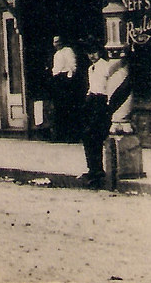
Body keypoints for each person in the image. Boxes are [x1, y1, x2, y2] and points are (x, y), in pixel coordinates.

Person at [81, 45, 115, 189]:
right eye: (89, 53)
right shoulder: (91, 69)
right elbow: (92, 86)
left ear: (100, 52)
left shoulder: (106, 66)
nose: (92, 56)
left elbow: (111, 86)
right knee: (88, 136)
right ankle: (93, 170)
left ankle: (97, 171)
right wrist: (88, 96)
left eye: (94, 52)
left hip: (103, 103)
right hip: (93, 102)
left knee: (93, 135)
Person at [50, 36, 80, 142]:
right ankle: (60, 135)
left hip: (66, 80)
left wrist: (69, 78)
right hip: (58, 80)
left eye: (58, 42)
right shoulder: (56, 54)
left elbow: (73, 66)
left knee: (68, 107)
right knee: (59, 108)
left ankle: (71, 136)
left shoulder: (67, 51)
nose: (56, 44)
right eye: (54, 42)